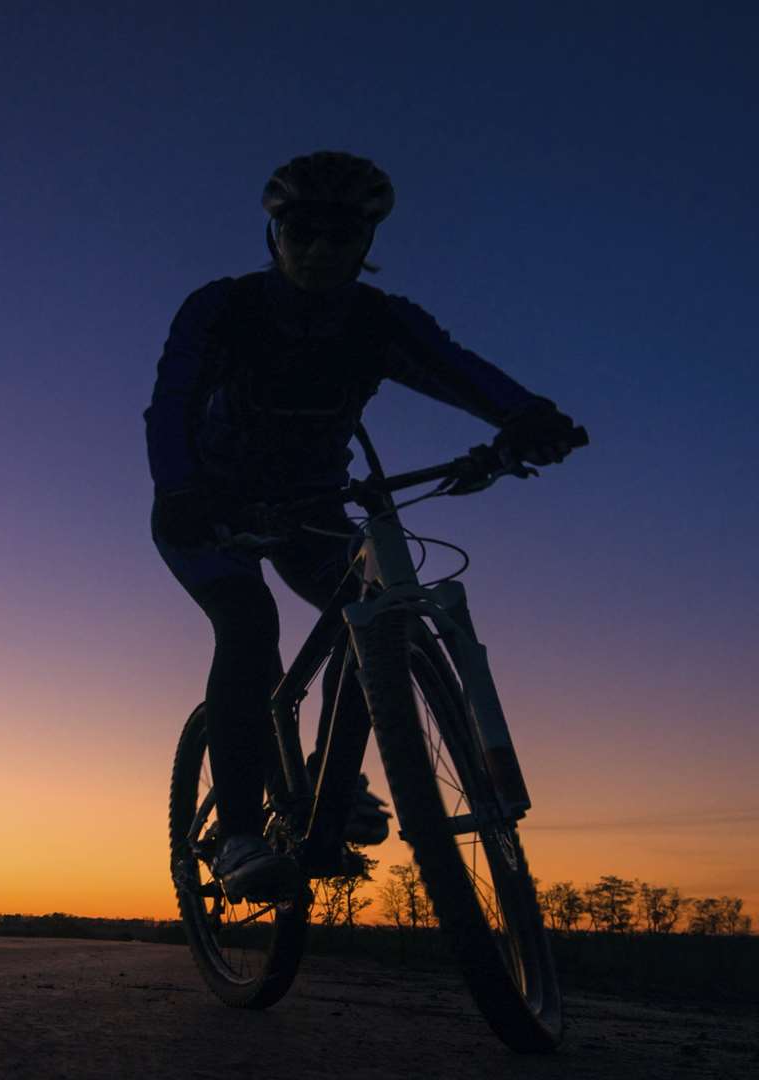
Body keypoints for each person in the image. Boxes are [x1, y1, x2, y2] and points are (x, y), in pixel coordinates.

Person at [144, 151, 580, 901]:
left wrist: (525, 417)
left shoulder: (377, 322)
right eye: (301, 230)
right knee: (250, 627)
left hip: (312, 508)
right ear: (273, 234)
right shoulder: (223, 308)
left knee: (370, 613)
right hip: (209, 508)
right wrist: (182, 489)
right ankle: (241, 834)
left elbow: (456, 368)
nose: (318, 248)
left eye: (340, 235)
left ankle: (330, 785)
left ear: (364, 246)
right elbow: (172, 401)